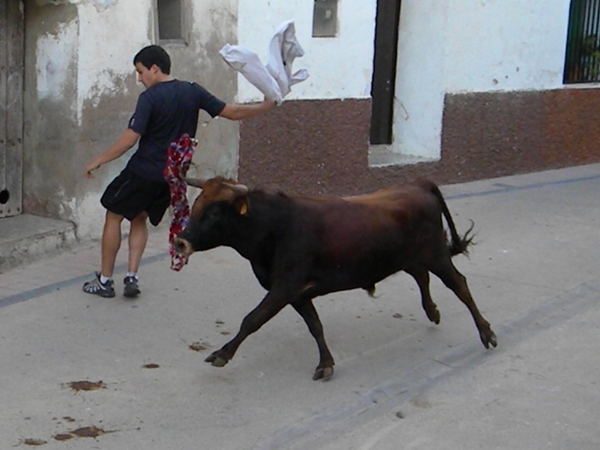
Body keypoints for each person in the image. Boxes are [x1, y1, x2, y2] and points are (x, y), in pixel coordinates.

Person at [83, 45, 276, 298]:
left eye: (140, 72)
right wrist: (267, 105)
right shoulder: (192, 91)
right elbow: (231, 112)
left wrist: (98, 160)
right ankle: (131, 277)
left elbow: (131, 138)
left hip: (143, 170)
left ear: (154, 68)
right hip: (170, 177)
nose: (140, 79)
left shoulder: (149, 98)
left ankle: (106, 280)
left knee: (113, 215)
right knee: (139, 217)